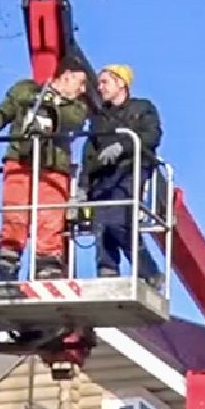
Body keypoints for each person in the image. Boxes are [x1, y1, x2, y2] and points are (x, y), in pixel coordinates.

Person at [0, 68, 90, 280]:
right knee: (15, 212)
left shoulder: (77, 107)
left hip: (54, 165)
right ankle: (7, 262)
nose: (82, 90)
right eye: (80, 83)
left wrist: (51, 107)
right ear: (66, 75)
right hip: (20, 159)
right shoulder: (25, 90)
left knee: (50, 216)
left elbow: (74, 121)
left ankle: (47, 264)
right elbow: (4, 110)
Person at [80, 63, 164, 282]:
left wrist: (123, 146)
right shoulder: (99, 119)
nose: (100, 87)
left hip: (129, 170)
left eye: (105, 82)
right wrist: (82, 185)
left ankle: (148, 271)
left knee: (118, 219)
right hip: (103, 176)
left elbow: (151, 136)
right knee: (101, 225)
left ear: (121, 83)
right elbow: (89, 152)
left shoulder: (142, 108)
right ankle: (107, 270)